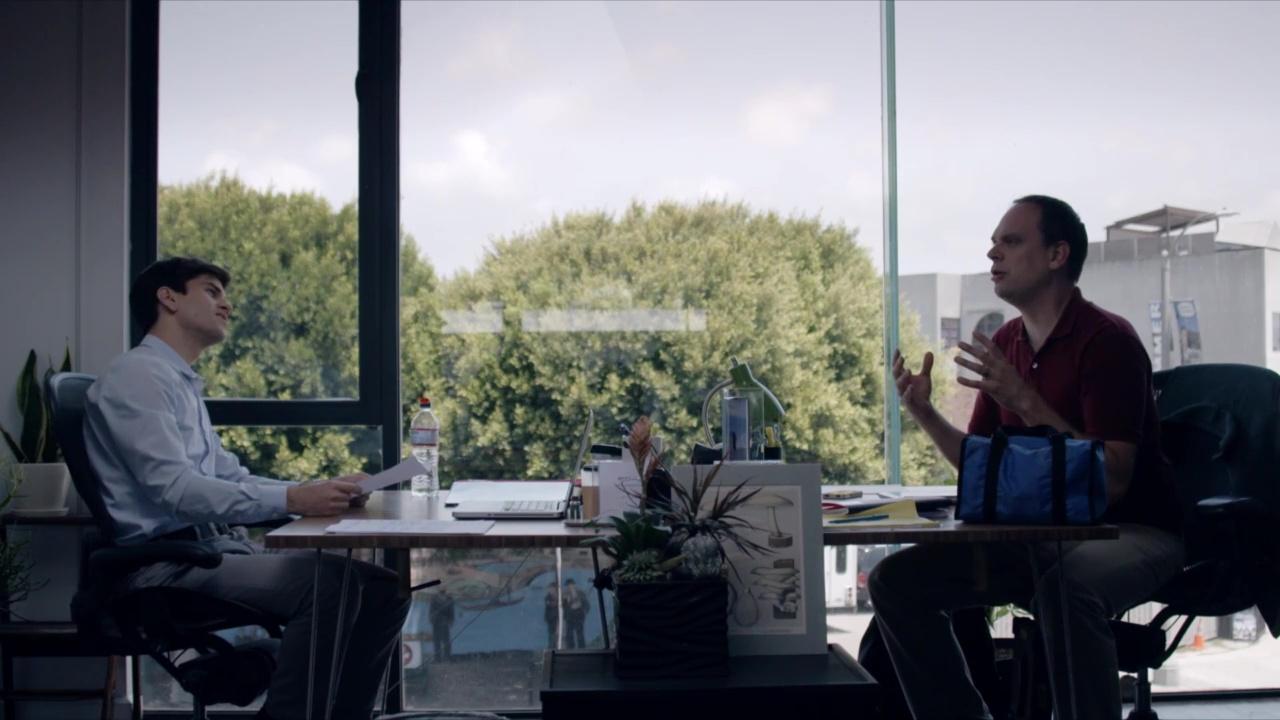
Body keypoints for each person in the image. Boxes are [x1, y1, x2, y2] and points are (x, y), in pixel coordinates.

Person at [873, 196, 1184, 720]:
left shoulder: (1108, 342)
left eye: (1011, 241)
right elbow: (979, 468)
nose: (992, 253)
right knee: (896, 582)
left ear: (1058, 254)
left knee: (1065, 591)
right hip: (1040, 538)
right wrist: (923, 412)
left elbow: (1112, 480)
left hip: (1132, 530)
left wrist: (1026, 401)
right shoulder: (1007, 342)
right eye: (994, 242)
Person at [84, 257, 411, 720]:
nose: (227, 305)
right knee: (328, 586)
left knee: (384, 589)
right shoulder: (137, 377)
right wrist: (294, 499)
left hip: (207, 552)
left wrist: (315, 489)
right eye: (211, 290)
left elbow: (230, 477)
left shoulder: (178, 381)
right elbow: (176, 491)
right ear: (168, 298)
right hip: (163, 567)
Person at [429, 588, 455, 661]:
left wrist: (450, 621)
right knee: (437, 641)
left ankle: (446, 657)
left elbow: (451, 612)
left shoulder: (449, 600)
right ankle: (438, 658)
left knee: (445, 640)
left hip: (443, 622)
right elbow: (431, 611)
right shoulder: (434, 599)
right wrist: (432, 619)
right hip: (437, 622)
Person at [562, 578, 589, 649]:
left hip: (579, 614)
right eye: (568, 585)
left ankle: (582, 648)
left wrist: (584, 612)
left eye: (570, 585)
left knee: (579, 633)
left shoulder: (580, 593)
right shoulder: (565, 594)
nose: (569, 587)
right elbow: (563, 606)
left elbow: (586, 603)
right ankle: (570, 648)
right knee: (569, 633)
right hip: (570, 615)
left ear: (574, 585)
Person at [544, 583, 560, 648]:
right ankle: (552, 647)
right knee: (552, 634)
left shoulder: (560, 596)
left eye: (552, 588)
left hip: (559, 618)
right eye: (550, 588)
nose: (550, 590)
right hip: (551, 619)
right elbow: (550, 605)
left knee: (558, 634)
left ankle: (556, 646)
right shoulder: (548, 597)